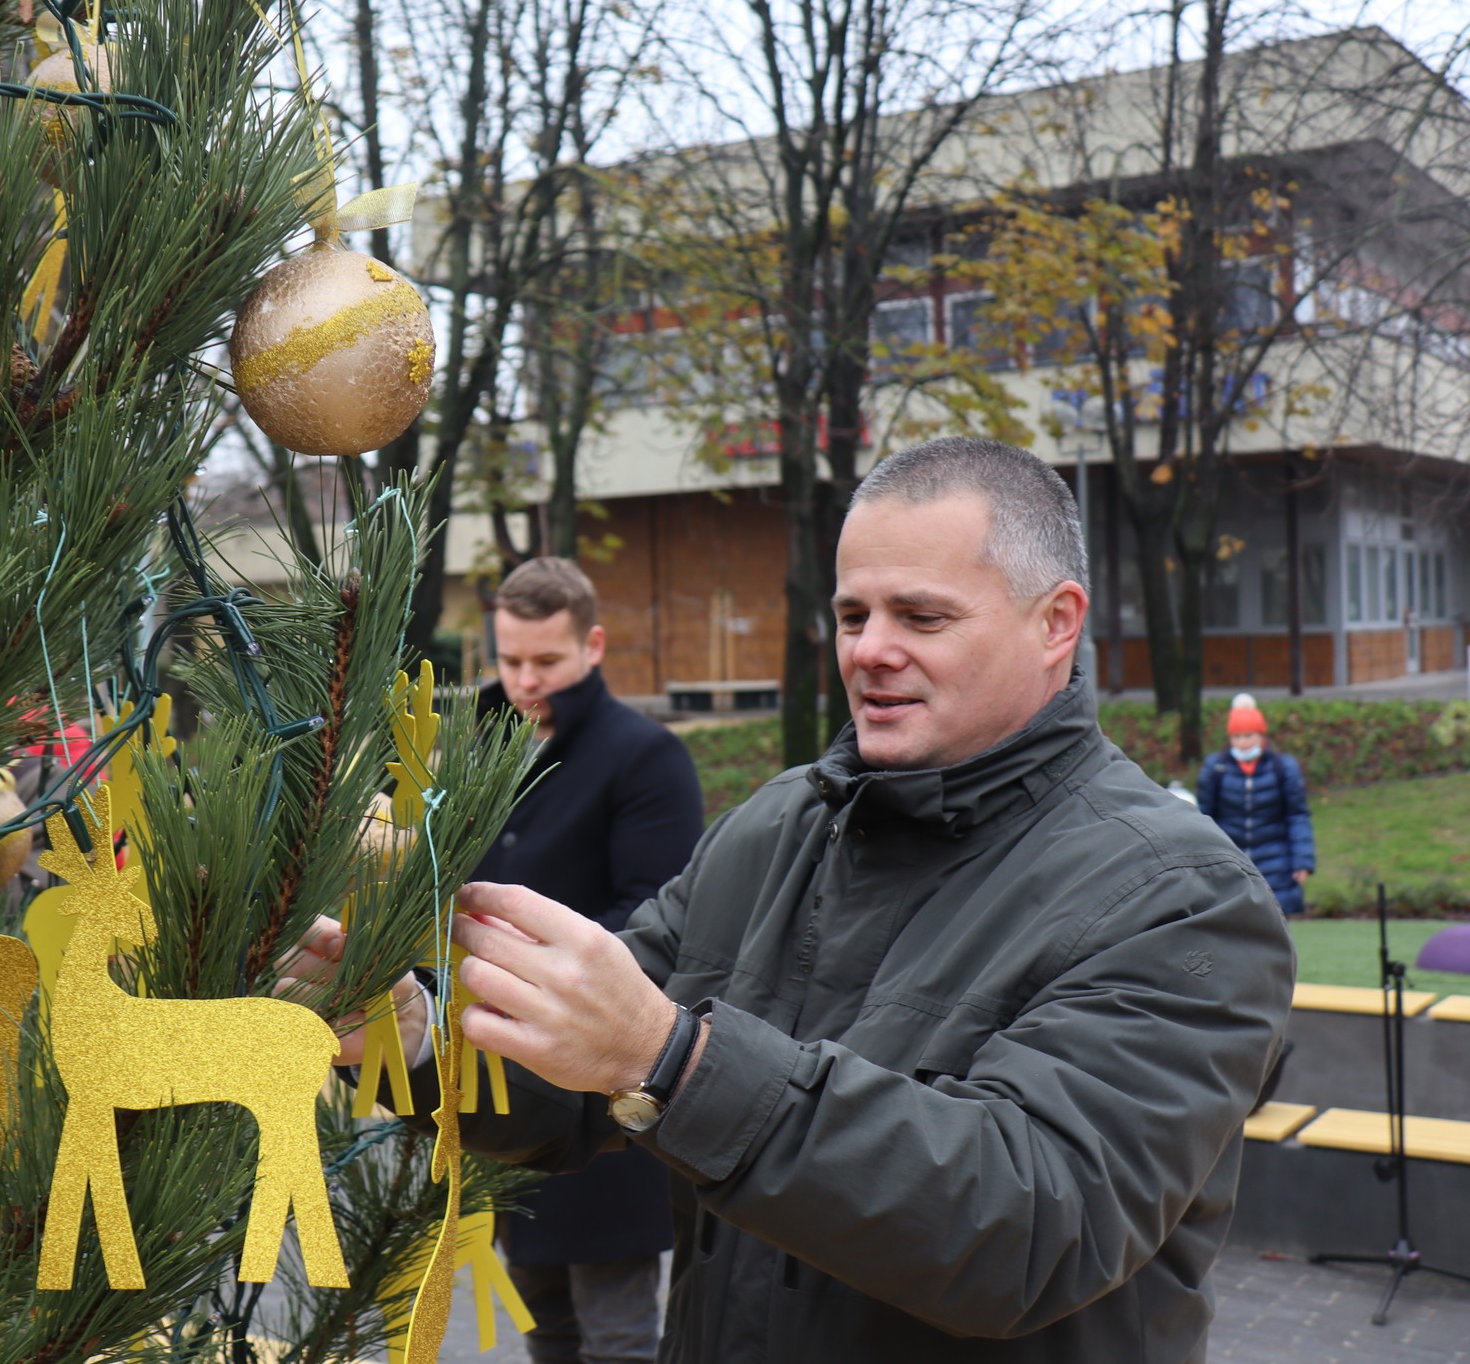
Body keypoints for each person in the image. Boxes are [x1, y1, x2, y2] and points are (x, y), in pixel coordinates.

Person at [289, 436, 1294, 1363]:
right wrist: (411, 1031)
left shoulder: (1182, 900)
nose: (867, 649)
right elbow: (579, 1076)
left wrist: (675, 1062)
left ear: (1055, 624)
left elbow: (1026, 1227)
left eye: (921, 615)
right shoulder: (773, 830)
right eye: (853, 615)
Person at [471, 557, 705, 1364]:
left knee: (617, 1336)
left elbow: (653, 923)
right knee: (545, 1329)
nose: (527, 680)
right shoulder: (476, 736)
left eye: (547, 662)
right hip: (496, 1088)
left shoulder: (645, 758)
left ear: (593, 644)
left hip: (603, 1096)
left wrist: (500, 969)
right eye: (511, 661)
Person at [1197, 695, 1315, 917]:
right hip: (1230, 864)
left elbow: (1297, 816)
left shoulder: (1284, 768)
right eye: (1237, 737)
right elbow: (1204, 817)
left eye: (1248, 736)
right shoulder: (1216, 769)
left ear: (1261, 736)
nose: (1242, 743)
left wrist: (1302, 860)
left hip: (1276, 864)